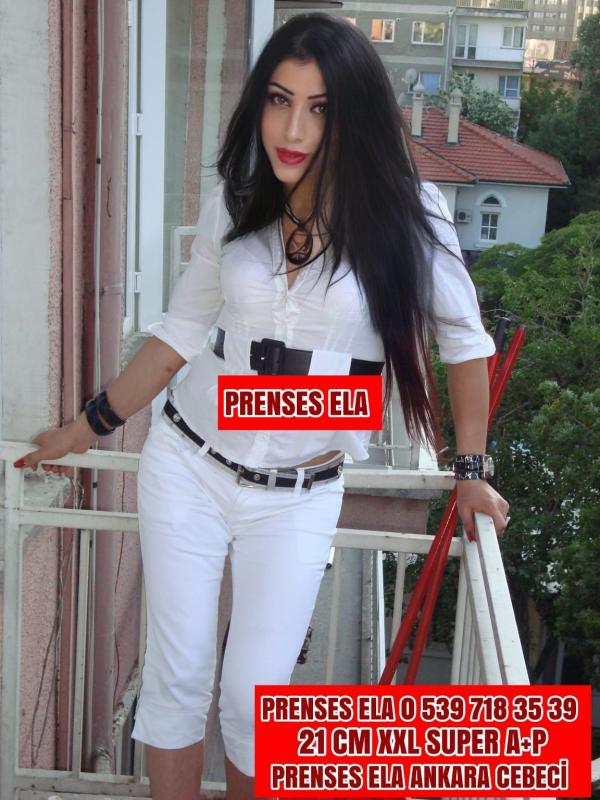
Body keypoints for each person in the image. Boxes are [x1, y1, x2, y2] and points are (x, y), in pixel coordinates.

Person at [15, 14, 510, 800]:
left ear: (353, 116)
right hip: (189, 465)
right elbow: (177, 335)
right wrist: (85, 426)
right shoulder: (238, 197)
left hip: (298, 495)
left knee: (254, 703)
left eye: (320, 108)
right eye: (280, 100)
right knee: (177, 680)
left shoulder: (411, 216)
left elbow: (465, 344)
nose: (293, 129)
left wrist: (471, 470)